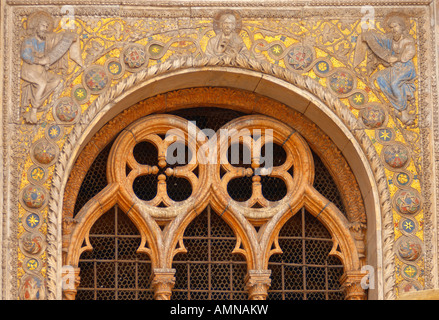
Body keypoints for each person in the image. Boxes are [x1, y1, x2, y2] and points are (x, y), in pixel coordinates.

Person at [21, 11, 83, 123]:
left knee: (58, 80)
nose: (45, 29)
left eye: (46, 26)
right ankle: (34, 111)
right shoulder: (29, 40)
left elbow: (56, 43)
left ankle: (39, 103)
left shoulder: (46, 42)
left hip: (40, 71)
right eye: (42, 26)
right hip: (29, 70)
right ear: (36, 26)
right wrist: (39, 61)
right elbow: (25, 55)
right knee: (42, 83)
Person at [354, 14, 416, 125]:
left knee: (395, 83)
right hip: (395, 68)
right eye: (391, 28)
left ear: (402, 27)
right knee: (380, 77)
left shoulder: (408, 40)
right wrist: (369, 35)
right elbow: (380, 39)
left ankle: (403, 112)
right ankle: (396, 106)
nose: (393, 30)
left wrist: (396, 58)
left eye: (395, 26)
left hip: (406, 68)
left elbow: (409, 53)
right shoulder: (390, 39)